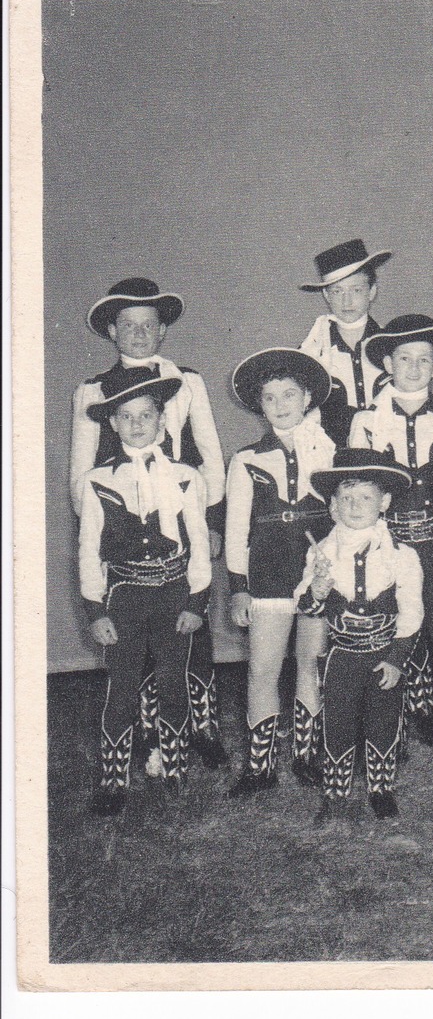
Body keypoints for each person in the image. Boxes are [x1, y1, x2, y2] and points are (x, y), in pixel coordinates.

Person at [70, 278, 227, 769]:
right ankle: (143, 731)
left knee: (189, 631)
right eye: (128, 325)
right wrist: (106, 527)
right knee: (132, 638)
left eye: (149, 326)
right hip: (125, 523)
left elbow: (207, 451)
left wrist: (211, 516)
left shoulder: (188, 380)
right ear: (113, 331)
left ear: (161, 332)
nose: (138, 334)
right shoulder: (93, 391)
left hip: (181, 515)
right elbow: (82, 471)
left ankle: (199, 728)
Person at [78, 372, 212, 816]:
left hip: (173, 593)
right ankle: (113, 779)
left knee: (174, 682)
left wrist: (196, 602)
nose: (137, 425)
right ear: (113, 423)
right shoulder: (98, 480)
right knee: (122, 687)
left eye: (146, 414)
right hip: (126, 597)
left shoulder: (186, 476)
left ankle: (174, 769)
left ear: (161, 417)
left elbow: (195, 543)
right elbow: (89, 550)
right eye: (126, 416)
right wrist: (96, 609)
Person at [350, 315, 433, 771]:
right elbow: (360, 492)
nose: (413, 367)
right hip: (391, 548)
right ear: (387, 362)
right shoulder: (366, 421)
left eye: (423, 359)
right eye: (404, 358)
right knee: (393, 636)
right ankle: (396, 729)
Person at [225, 349, 336, 798]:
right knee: (263, 668)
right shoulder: (248, 459)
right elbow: (236, 532)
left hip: (315, 574)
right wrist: (238, 589)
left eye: (290, 394)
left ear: (308, 397)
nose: (281, 404)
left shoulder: (331, 450)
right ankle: (260, 766)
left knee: (312, 662)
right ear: (260, 405)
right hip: (268, 574)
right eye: (270, 398)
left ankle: (308, 755)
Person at [295, 449, 423, 822]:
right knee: (338, 720)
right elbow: (307, 607)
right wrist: (317, 590)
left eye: (365, 497)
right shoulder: (320, 552)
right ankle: (335, 794)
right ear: (332, 507)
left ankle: (381, 790)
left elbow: (412, 611)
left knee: (383, 720)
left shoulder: (402, 554)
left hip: (384, 654)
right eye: (345, 498)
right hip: (343, 655)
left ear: (383, 502)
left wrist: (397, 660)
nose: (355, 506)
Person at [299, 238, 392, 446]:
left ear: (372, 291)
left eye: (356, 290)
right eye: (337, 291)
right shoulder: (312, 351)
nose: (346, 301)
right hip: (333, 460)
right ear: (326, 295)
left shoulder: (392, 345)